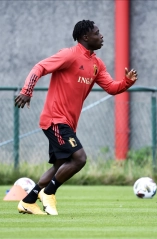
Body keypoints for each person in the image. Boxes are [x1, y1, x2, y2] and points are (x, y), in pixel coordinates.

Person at [14, 20, 138, 215]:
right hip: (55, 119)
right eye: (97, 33)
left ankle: (28, 201)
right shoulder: (69, 55)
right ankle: (49, 193)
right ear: (85, 37)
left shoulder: (97, 64)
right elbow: (39, 67)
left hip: (68, 123)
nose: (101, 36)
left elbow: (112, 88)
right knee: (79, 159)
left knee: (60, 166)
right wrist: (27, 90)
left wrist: (127, 81)